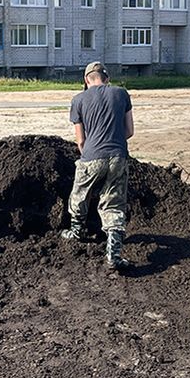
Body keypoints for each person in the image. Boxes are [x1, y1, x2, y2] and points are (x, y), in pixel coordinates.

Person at [60, 61, 135, 271]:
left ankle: (76, 232)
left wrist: (90, 160)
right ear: (107, 77)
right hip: (118, 156)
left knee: (79, 194)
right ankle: (114, 255)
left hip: (92, 155)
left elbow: (80, 140)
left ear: (86, 80)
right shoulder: (122, 94)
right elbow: (129, 131)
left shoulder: (78, 100)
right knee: (114, 203)